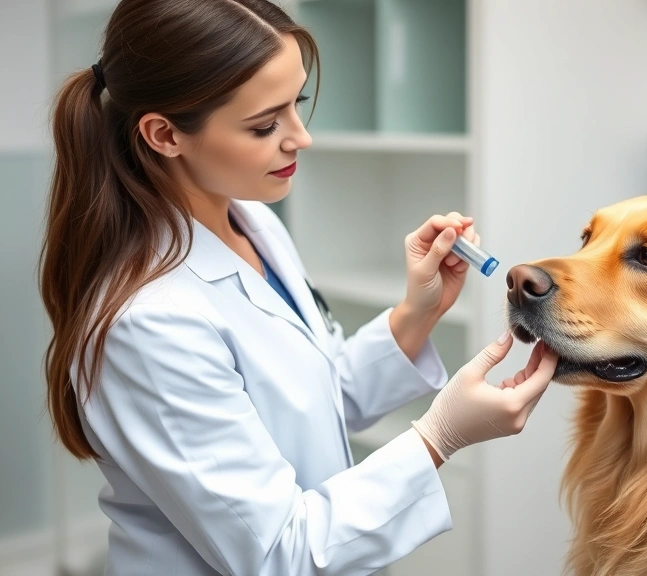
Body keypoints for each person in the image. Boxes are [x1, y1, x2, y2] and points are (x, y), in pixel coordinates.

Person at [38, 1, 557, 574]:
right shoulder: (150, 322)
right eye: (265, 125)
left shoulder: (250, 223)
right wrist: (440, 436)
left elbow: (310, 403)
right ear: (164, 135)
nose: (300, 138)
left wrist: (416, 313)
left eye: (298, 105)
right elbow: (280, 553)